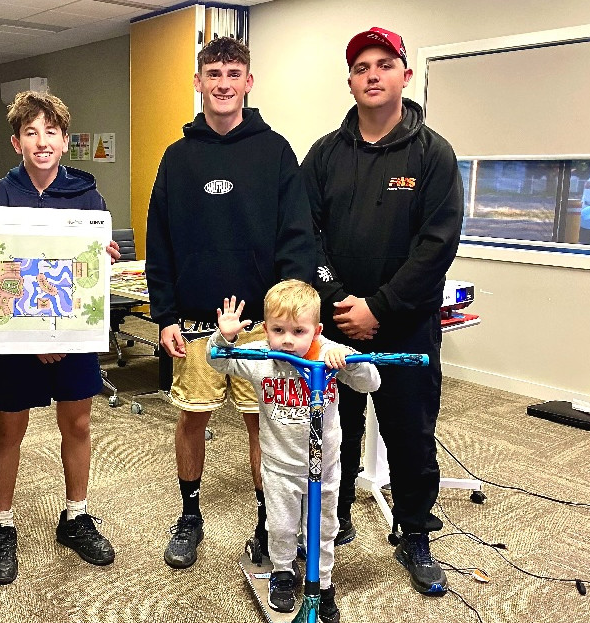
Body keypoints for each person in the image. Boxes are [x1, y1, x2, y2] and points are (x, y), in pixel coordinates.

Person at [300, 27, 464, 594]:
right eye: (361, 66)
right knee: (330, 429)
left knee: (410, 434)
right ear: (350, 81)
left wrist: (381, 307)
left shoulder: (433, 155)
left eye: (384, 64)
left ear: (404, 75)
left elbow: (437, 246)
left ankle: (414, 533)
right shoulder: (323, 154)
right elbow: (307, 235)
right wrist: (338, 300)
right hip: (336, 324)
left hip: (405, 325)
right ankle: (335, 516)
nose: (372, 74)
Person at [146, 36, 316, 569]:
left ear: (248, 82)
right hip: (197, 324)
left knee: (262, 425)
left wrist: (292, 322)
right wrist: (165, 315)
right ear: (198, 82)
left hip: (262, 330)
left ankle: (268, 523)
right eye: (213, 74)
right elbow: (160, 243)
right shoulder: (177, 158)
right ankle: (190, 515)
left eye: (233, 73)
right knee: (191, 418)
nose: (223, 83)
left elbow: (297, 237)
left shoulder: (276, 151)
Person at [0, 91, 120, 585]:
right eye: (31, 133)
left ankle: (76, 515)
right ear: (16, 142)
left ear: (65, 141)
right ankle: (2, 526)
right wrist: (28, 334)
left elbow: (87, 272)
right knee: (7, 431)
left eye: (52, 132)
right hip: (15, 337)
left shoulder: (86, 195)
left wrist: (103, 257)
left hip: (73, 331)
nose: (42, 142)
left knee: (77, 425)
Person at [207, 281, 379, 620]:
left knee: (323, 528)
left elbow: (370, 382)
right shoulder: (261, 357)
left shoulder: (327, 351)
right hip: (279, 466)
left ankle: (324, 583)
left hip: (325, 465)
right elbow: (219, 361)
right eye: (278, 329)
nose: (287, 339)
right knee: (283, 526)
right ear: (265, 328)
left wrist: (350, 360)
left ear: (316, 330)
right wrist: (224, 339)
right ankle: (283, 572)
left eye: (298, 331)